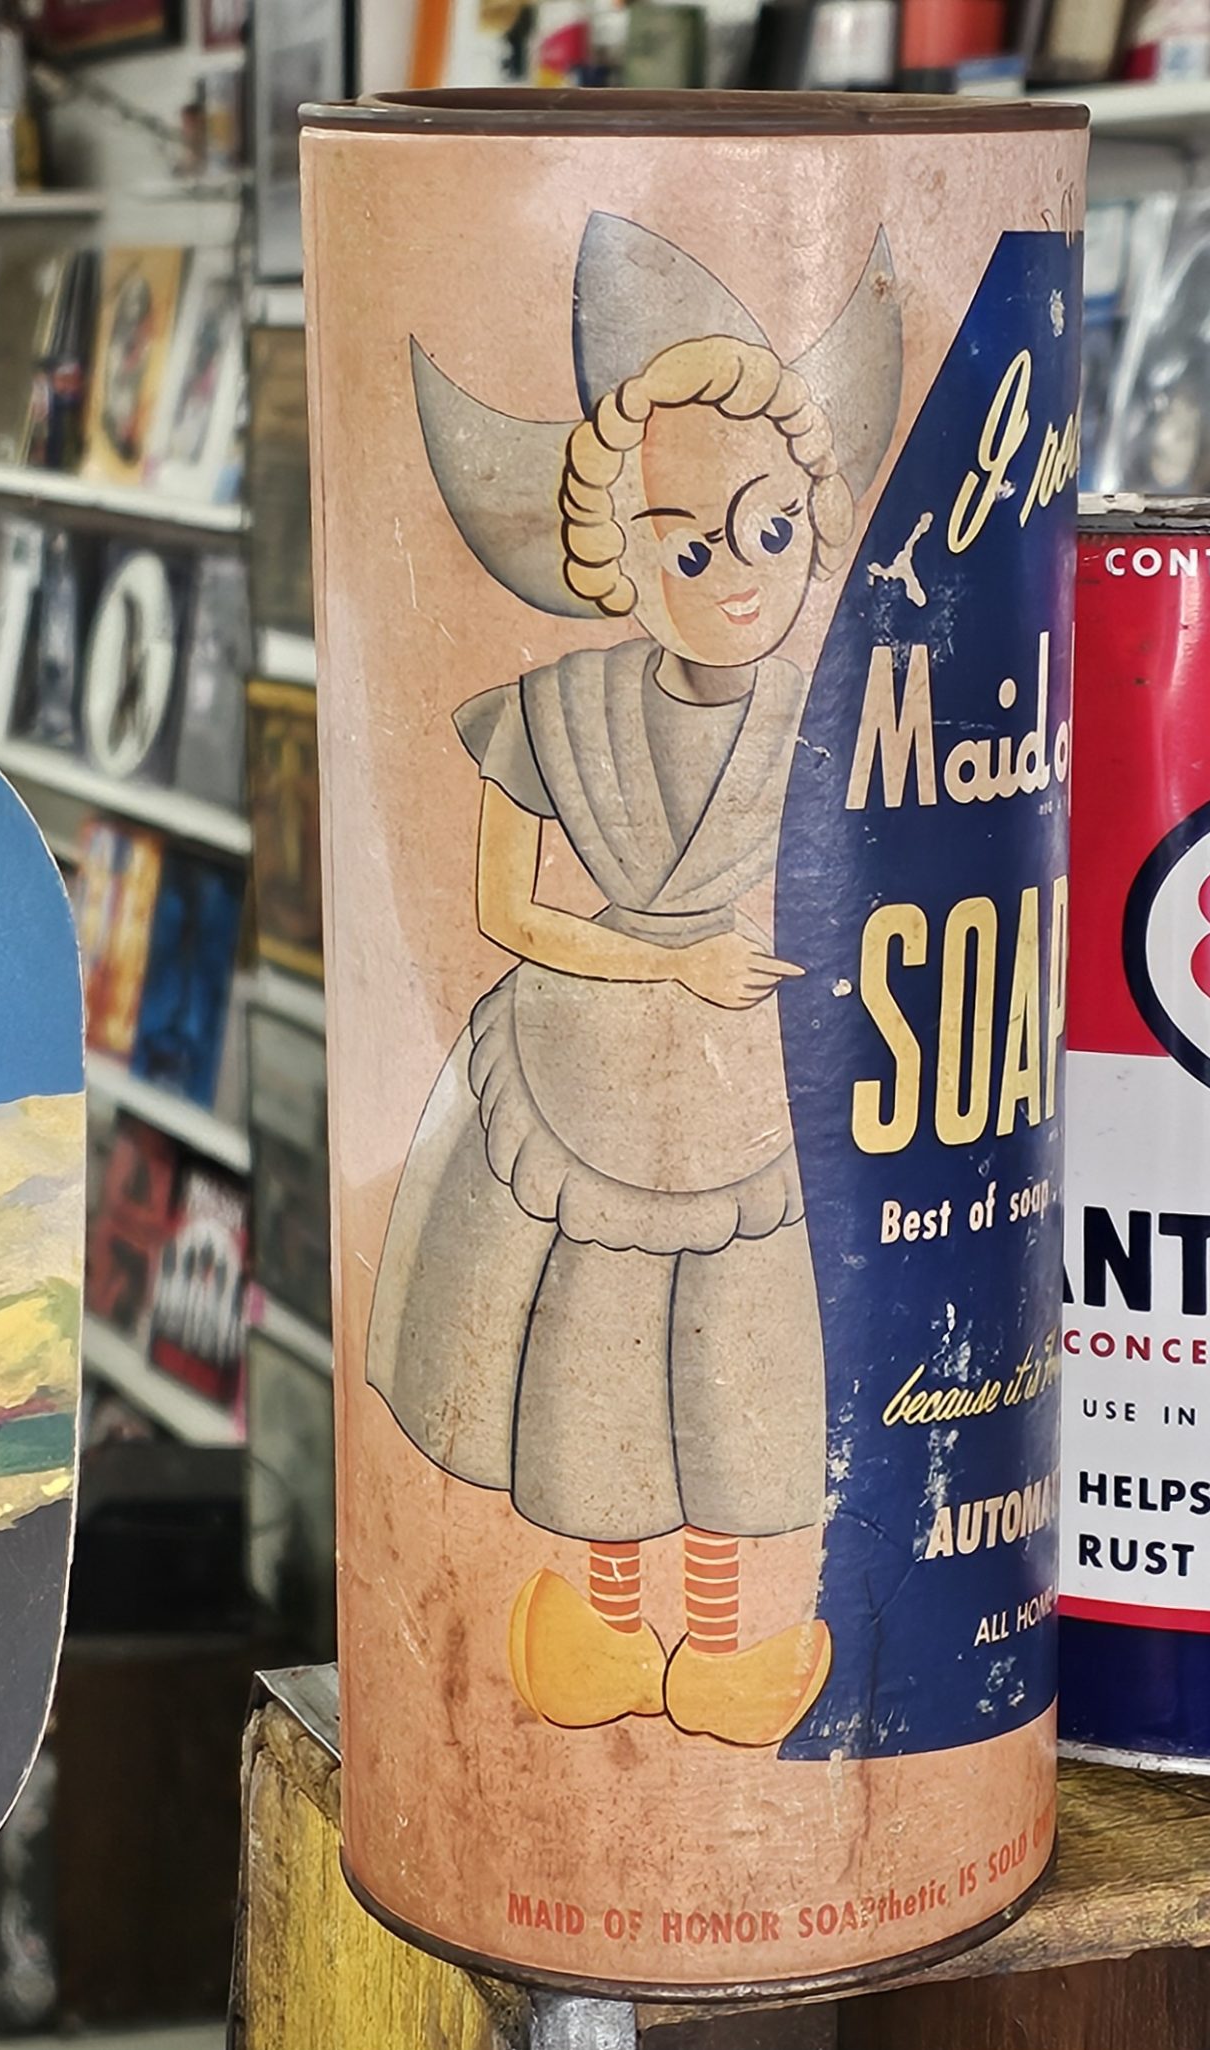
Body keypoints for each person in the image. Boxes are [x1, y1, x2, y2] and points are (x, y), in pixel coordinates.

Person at [367, 217, 899, 1749]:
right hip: (581, 1073)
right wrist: (675, 957)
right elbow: (505, 908)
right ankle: (605, 1635)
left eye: (772, 531)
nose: (736, 577)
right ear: (613, 557)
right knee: (593, 1350)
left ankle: (721, 1651)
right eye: (687, 546)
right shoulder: (554, 710)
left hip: (758, 1090)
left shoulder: (827, 705)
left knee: (739, 1362)